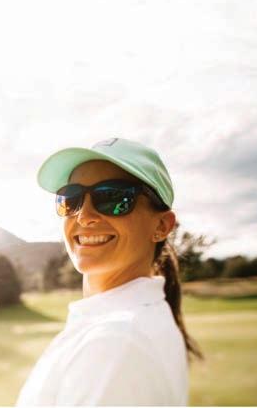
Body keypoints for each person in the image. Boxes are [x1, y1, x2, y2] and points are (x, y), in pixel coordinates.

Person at [15, 137, 204, 406]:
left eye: (113, 197)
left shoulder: (115, 342)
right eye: (71, 199)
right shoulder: (127, 325)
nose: (84, 215)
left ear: (162, 225)